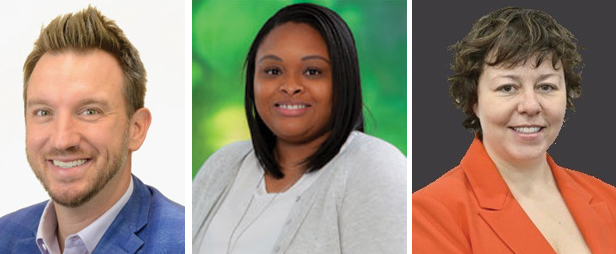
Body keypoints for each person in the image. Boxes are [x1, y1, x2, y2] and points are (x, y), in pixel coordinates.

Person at [192, 3, 406, 254]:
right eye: (273, 70)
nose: (290, 85)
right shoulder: (223, 165)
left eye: (312, 71)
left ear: (343, 80)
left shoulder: (375, 168)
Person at [412, 6, 616, 254]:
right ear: (474, 100)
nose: (530, 105)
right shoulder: (429, 215)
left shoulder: (608, 198)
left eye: (546, 86)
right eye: (508, 88)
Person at [0, 6, 184, 253]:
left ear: (136, 128)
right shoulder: (5, 236)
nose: (62, 140)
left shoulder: (182, 241)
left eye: (90, 111)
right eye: (44, 112)